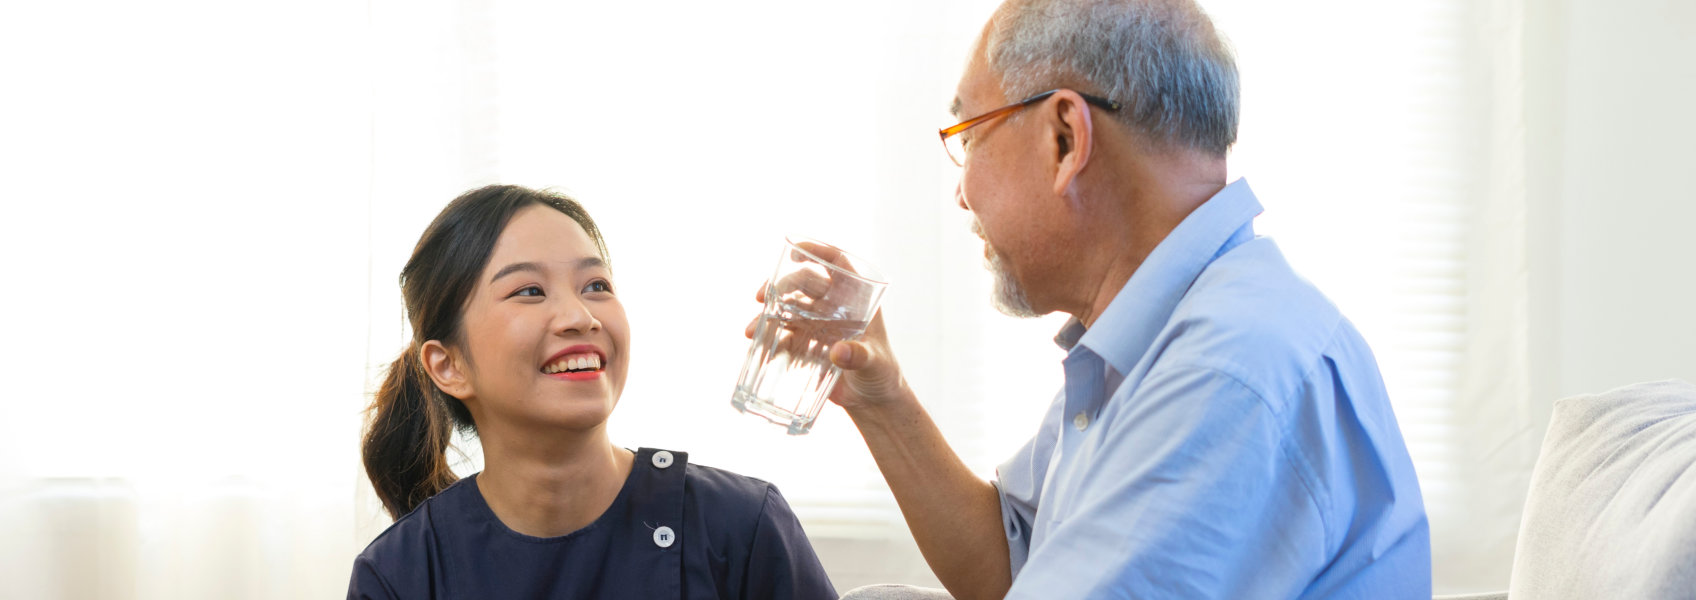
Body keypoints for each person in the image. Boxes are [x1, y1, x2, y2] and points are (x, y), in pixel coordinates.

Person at [791, 0, 1432, 598]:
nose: (962, 193)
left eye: (969, 135)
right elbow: (1014, 563)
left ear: (1065, 138)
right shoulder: (1162, 334)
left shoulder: (1226, 373)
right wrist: (884, 400)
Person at [349, 185, 837, 599]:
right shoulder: (397, 575)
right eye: (530, 291)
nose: (582, 317)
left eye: (596, 285)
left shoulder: (744, 527)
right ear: (448, 365)